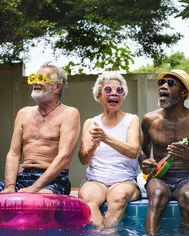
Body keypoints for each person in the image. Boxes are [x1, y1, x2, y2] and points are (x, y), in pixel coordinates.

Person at [139, 69, 189, 234]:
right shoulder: (149, 120)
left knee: (188, 197)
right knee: (157, 195)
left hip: (187, 177)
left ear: (183, 92)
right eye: (162, 83)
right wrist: (144, 162)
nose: (163, 86)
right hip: (159, 176)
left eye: (171, 83)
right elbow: (142, 152)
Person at [0, 62, 80, 195]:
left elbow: (64, 156)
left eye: (41, 79)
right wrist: (9, 186)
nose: (35, 82)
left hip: (55, 179)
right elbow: (13, 154)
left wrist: (35, 188)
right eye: (34, 78)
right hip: (23, 176)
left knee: (41, 200)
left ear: (57, 87)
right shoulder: (23, 113)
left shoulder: (69, 113)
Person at [78, 71, 141, 228]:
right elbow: (83, 160)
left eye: (119, 90)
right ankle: (99, 231)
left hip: (124, 180)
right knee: (87, 197)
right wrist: (94, 146)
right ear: (99, 97)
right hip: (95, 180)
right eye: (108, 90)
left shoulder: (131, 120)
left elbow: (133, 151)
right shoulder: (90, 123)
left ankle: (108, 232)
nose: (114, 93)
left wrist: (106, 138)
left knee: (118, 197)